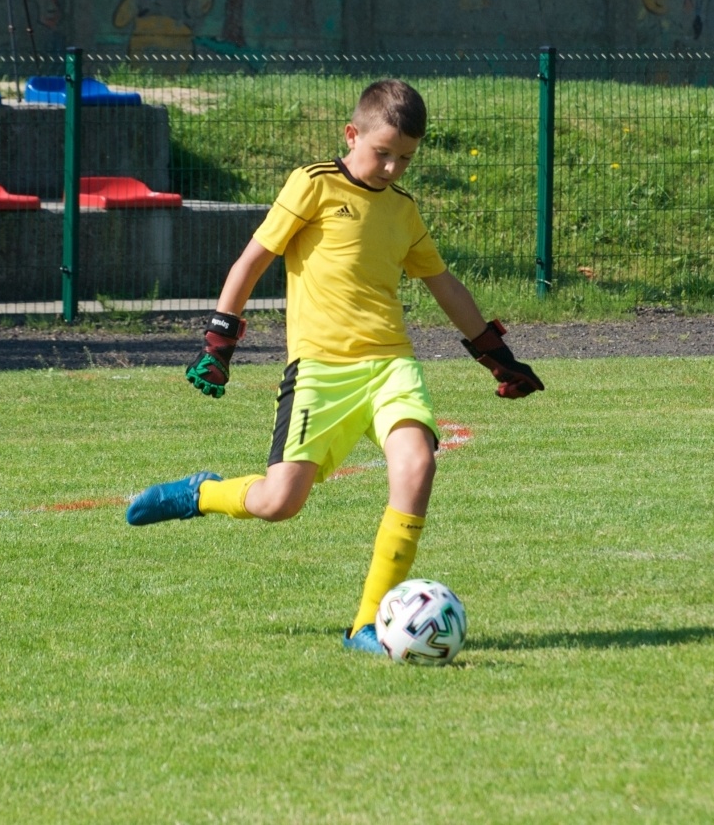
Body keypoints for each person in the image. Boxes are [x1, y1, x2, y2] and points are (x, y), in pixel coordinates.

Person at [125, 79, 545, 654]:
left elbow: (443, 284)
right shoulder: (314, 184)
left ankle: (367, 626)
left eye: (406, 158)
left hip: (391, 365)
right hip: (320, 372)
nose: (395, 168)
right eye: (384, 152)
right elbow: (253, 259)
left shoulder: (403, 211)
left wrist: (494, 356)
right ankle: (201, 494)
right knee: (279, 504)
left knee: (417, 467)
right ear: (352, 135)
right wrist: (219, 341)